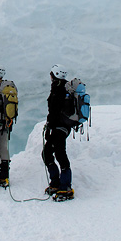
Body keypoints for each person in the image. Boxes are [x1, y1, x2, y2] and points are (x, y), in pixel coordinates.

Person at [42, 64, 74, 200]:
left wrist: (49, 127)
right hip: (62, 127)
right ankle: (56, 183)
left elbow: (54, 111)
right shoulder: (65, 87)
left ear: (55, 74)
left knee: (58, 154)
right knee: (48, 153)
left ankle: (65, 186)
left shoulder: (58, 89)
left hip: (58, 127)